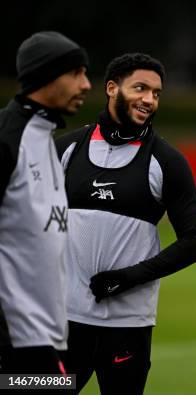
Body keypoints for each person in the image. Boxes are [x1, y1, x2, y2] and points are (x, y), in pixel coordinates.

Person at [55, 53, 196, 394]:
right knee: (23, 386)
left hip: (127, 330)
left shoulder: (167, 161)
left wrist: (127, 279)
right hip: (62, 324)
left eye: (156, 93)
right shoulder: (66, 149)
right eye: (140, 88)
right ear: (112, 88)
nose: (149, 99)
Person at [0, 31, 90, 375]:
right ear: (44, 76)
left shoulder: (46, 140)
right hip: (15, 345)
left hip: (47, 340)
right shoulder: (8, 140)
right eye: (75, 73)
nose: (85, 84)